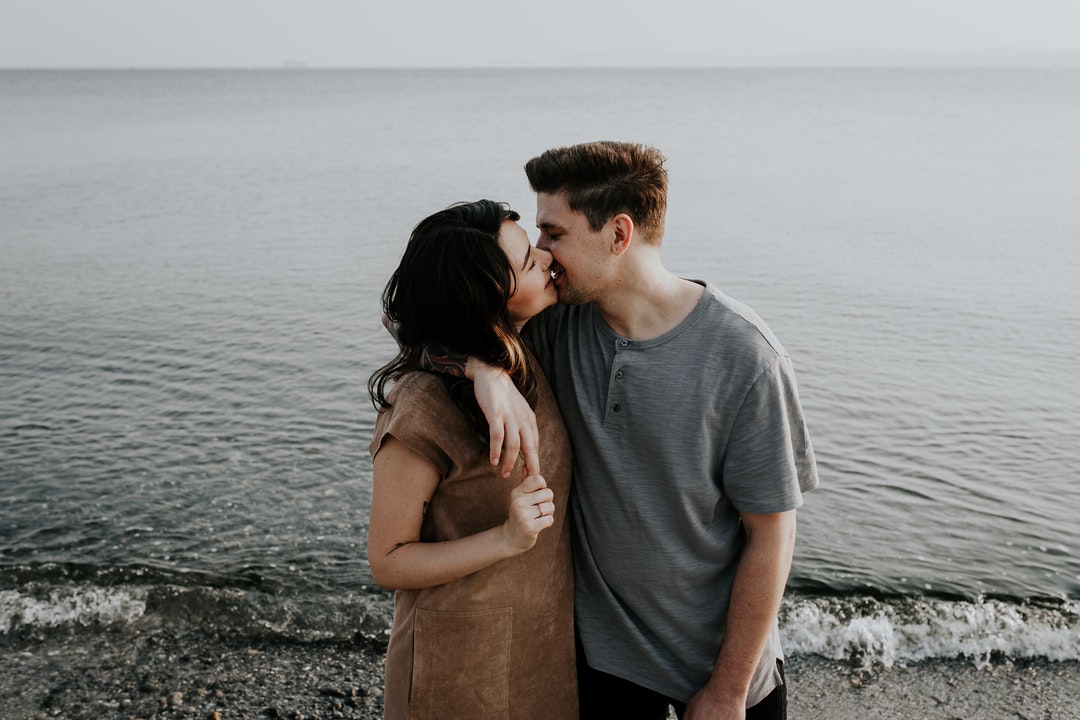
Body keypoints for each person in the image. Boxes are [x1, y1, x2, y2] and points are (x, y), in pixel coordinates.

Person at [422, 142, 819, 720]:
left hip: (718, 673)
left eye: (553, 233)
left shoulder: (746, 359)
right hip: (601, 671)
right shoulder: (555, 325)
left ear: (618, 233)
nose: (542, 252)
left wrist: (728, 691)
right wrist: (482, 368)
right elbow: (421, 322)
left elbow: (772, 537)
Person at [366, 199, 577, 720]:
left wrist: (486, 367)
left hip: (543, 650)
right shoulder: (419, 406)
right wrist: (504, 539)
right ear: (486, 302)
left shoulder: (528, 353)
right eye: (529, 262)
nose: (547, 259)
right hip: (455, 668)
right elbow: (387, 560)